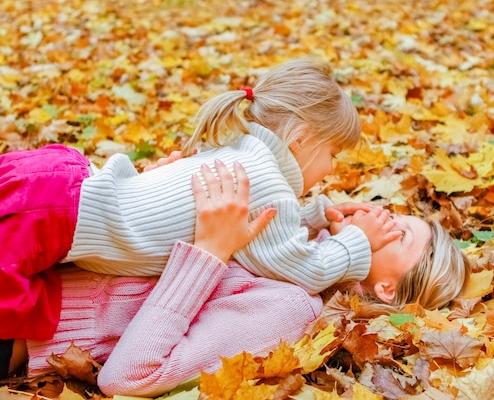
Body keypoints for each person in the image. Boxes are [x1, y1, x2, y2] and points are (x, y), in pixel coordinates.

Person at [0, 57, 399, 341]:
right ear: (302, 139)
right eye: (333, 155)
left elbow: (263, 226)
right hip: (52, 220)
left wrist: (312, 214)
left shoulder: (242, 153)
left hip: (58, 189)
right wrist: (355, 243)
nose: (331, 169)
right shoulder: (265, 182)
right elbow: (303, 268)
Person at [3, 162, 469, 398]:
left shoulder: (290, 306)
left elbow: (131, 376)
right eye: (397, 214)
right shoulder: (286, 236)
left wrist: (210, 250)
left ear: (386, 289)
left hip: (18, 320)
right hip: (27, 253)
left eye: (400, 233)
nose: (384, 215)